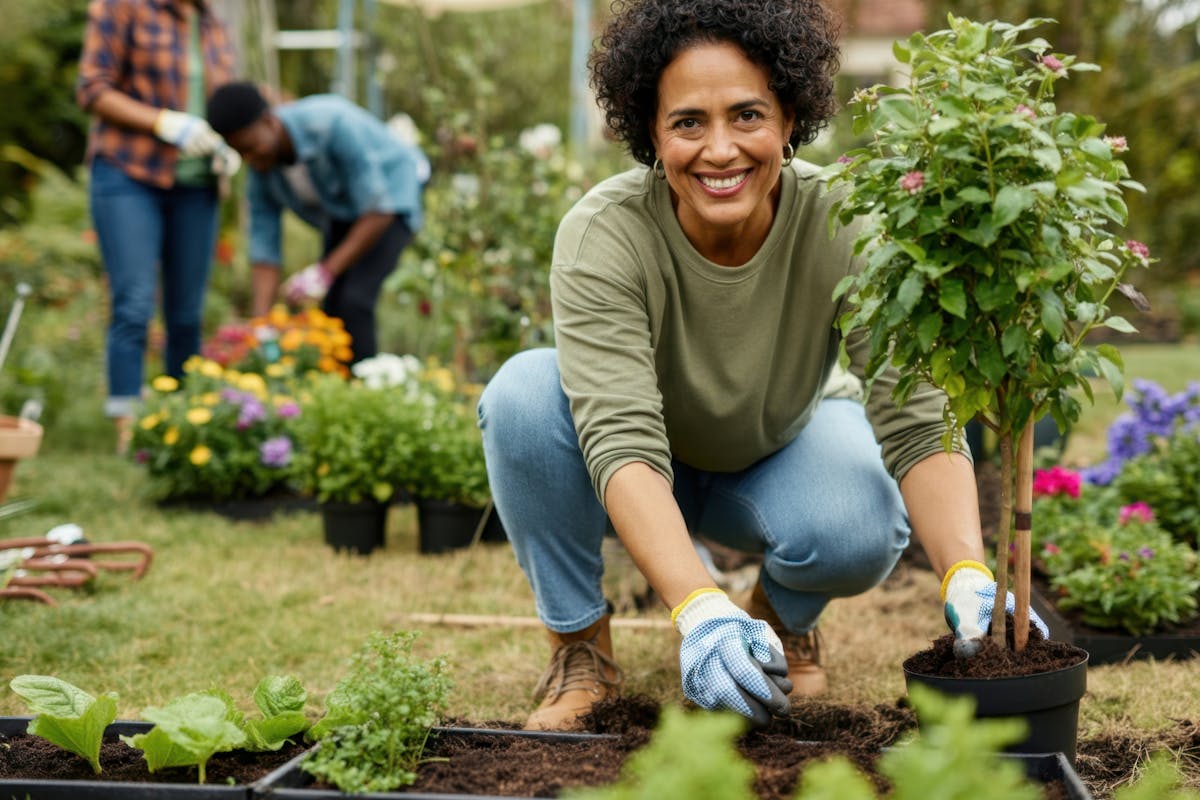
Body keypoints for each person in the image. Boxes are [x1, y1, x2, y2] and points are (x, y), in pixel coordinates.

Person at [477, 0, 1048, 732]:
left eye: (747, 115)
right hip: (641, 473)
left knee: (862, 517)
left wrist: (967, 568)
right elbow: (619, 436)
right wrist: (698, 609)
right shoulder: (603, 235)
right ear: (651, 132)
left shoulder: (845, 218)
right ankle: (581, 647)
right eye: (688, 122)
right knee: (522, 396)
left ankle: (780, 616)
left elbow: (911, 404)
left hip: (779, 450)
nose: (720, 150)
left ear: (790, 119)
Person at [77, 0, 241, 453]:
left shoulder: (212, 21)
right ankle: (129, 431)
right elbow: (91, 88)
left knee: (187, 314)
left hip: (197, 184)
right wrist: (163, 122)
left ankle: (181, 424)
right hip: (129, 173)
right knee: (132, 305)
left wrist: (226, 144)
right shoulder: (121, 7)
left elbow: (221, 102)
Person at [205, 82, 426, 363]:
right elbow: (265, 252)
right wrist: (261, 325)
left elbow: (378, 208)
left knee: (354, 299)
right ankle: (338, 385)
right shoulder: (260, 174)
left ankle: (364, 388)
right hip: (347, 211)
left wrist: (324, 272)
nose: (250, 159)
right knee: (332, 306)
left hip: (392, 197)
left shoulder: (331, 124)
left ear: (269, 121)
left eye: (251, 146)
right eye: (240, 153)